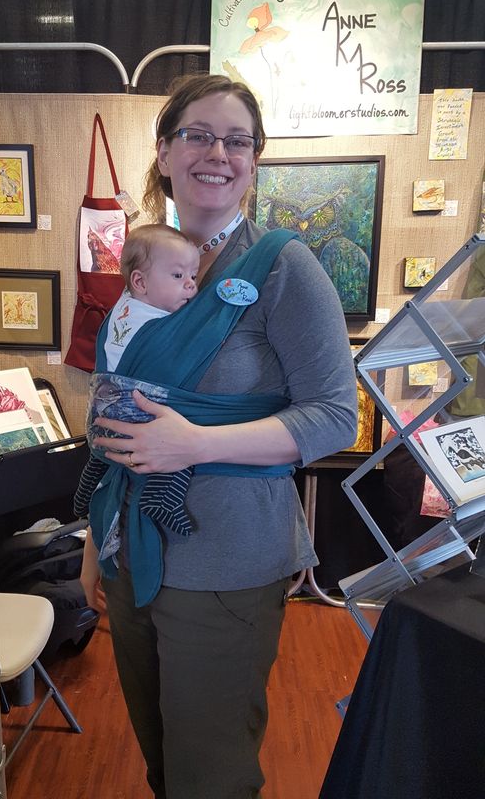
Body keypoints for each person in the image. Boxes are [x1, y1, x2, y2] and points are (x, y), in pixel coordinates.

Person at [79, 73, 357, 799]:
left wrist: (196, 443)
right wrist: (91, 539)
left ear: (254, 160)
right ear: (165, 151)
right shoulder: (145, 268)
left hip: (227, 556)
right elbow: (118, 412)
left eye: (238, 140)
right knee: (162, 758)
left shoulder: (283, 269)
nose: (218, 152)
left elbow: (334, 415)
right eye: (198, 134)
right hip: (128, 547)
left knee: (211, 772)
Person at [74, 223, 199, 534]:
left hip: (103, 411)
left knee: (101, 454)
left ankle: (82, 497)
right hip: (137, 413)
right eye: (178, 276)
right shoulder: (161, 320)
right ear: (140, 281)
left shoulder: (122, 308)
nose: (191, 286)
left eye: (194, 277)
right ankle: (163, 499)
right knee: (182, 445)